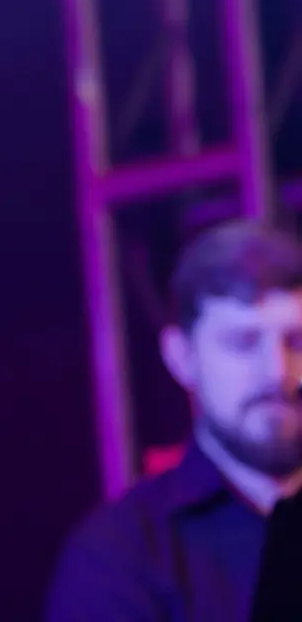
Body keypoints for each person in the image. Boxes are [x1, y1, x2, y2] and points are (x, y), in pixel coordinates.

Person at [45, 217, 302, 621]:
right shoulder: (122, 556)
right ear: (182, 358)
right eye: (242, 343)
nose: (278, 371)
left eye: (298, 341)